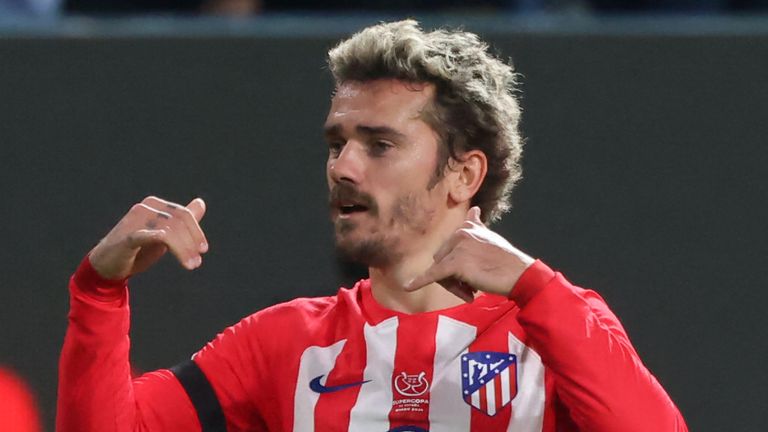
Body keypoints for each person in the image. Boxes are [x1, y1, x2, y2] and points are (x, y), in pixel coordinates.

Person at [57, 20, 688, 432]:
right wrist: (99, 294)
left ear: (464, 174)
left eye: (380, 145)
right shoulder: (283, 344)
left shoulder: (555, 329)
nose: (343, 167)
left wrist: (536, 288)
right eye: (337, 144)